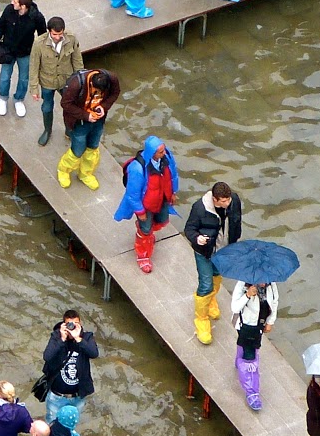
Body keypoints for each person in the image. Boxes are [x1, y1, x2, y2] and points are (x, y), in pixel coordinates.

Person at [183, 182, 241, 343]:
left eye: (228, 199)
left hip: (223, 250)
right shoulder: (200, 208)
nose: (227, 203)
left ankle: (211, 300)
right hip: (205, 252)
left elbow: (237, 222)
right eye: (223, 201)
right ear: (215, 199)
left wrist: (235, 243)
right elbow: (189, 229)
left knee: (217, 275)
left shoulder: (234, 201)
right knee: (206, 284)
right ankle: (201, 320)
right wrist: (197, 238)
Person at [114, 136, 178, 272]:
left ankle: (145, 232)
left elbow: (173, 175)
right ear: (152, 153)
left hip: (162, 199)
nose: (164, 153)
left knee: (161, 220)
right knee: (146, 230)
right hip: (146, 206)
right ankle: (142, 255)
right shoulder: (137, 169)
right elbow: (133, 194)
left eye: (164, 150)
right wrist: (140, 212)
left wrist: (173, 192)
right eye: (161, 152)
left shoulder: (166, 159)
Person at [57, 68, 119, 189]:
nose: (99, 93)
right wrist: (86, 115)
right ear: (91, 84)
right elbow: (65, 103)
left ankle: (85, 174)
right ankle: (63, 170)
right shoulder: (76, 84)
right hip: (80, 121)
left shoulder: (112, 78)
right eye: (96, 91)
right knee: (77, 150)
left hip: (98, 120)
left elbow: (115, 93)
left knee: (93, 147)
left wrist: (104, 107)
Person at [0, 0, 46, 118]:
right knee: (4, 77)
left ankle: (18, 99)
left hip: (25, 52)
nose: (12, 2)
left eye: (15, 1)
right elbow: (0, 28)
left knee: (24, 79)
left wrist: (40, 52)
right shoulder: (9, 10)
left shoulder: (37, 17)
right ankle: (3, 98)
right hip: (8, 50)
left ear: (23, 5)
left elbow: (43, 36)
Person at [27, 18, 82, 147]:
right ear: (49, 31)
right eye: (54, 34)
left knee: (70, 106)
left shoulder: (72, 39)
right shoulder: (39, 43)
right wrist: (34, 88)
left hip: (66, 80)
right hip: (47, 81)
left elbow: (77, 60)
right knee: (47, 107)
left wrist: (80, 81)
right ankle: (47, 130)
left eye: (60, 34)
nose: (57, 37)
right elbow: (34, 66)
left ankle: (69, 130)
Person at [229, 281, 277, 411]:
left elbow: (274, 302)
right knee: (250, 359)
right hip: (246, 325)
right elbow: (235, 308)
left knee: (247, 349)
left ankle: (239, 361)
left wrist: (270, 321)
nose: (263, 283)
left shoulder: (271, 285)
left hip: (259, 326)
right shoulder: (242, 284)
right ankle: (252, 391)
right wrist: (248, 295)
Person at [43, 312, 98, 424]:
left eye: (76, 324)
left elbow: (94, 353)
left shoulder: (87, 337)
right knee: (52, 424)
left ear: (80, 324)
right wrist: (62, 339)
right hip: (57, 396)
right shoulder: (56, 337)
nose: (72, 327)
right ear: (64, 324)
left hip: (78, 396)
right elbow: (47, 356)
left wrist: (78, 338)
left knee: (71, 425)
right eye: (69, 324)